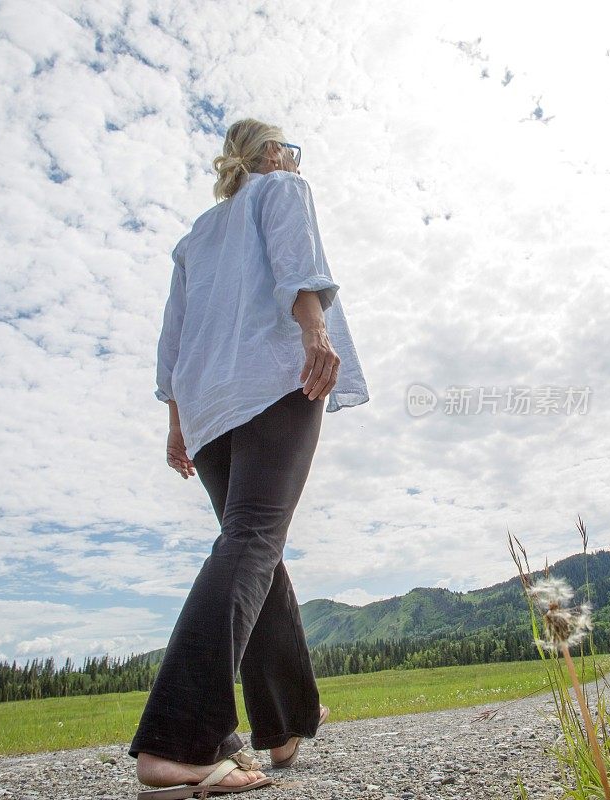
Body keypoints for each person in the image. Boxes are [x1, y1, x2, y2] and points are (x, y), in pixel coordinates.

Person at [130, 118, 369, 799]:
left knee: (255, 546)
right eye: (286, 149)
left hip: (207, 408)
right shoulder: (282, 190)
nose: (290, 159)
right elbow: (299, 266)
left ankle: (286, 722)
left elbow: (171, 340)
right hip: (270, 380)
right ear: (269, 154)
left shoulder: (194, 239)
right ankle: (179, 742)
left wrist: (177, 422)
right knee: (254, 540)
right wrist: (316, 332)